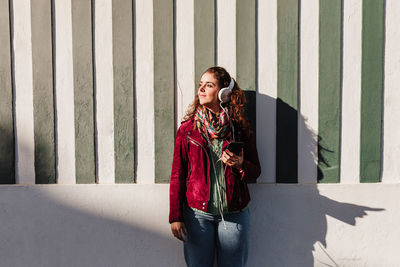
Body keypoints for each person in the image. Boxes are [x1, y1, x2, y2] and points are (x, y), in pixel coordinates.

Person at [169, 66, 261, 267]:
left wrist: (241, 164)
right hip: (197, 215)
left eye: (208, 85)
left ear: (223, 93)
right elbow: (178, 174)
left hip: (234, 213)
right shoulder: (188, 130)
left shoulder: (239, 129)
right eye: (200, 85)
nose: (201, 89)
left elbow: (256, 171)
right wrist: (175, 216)